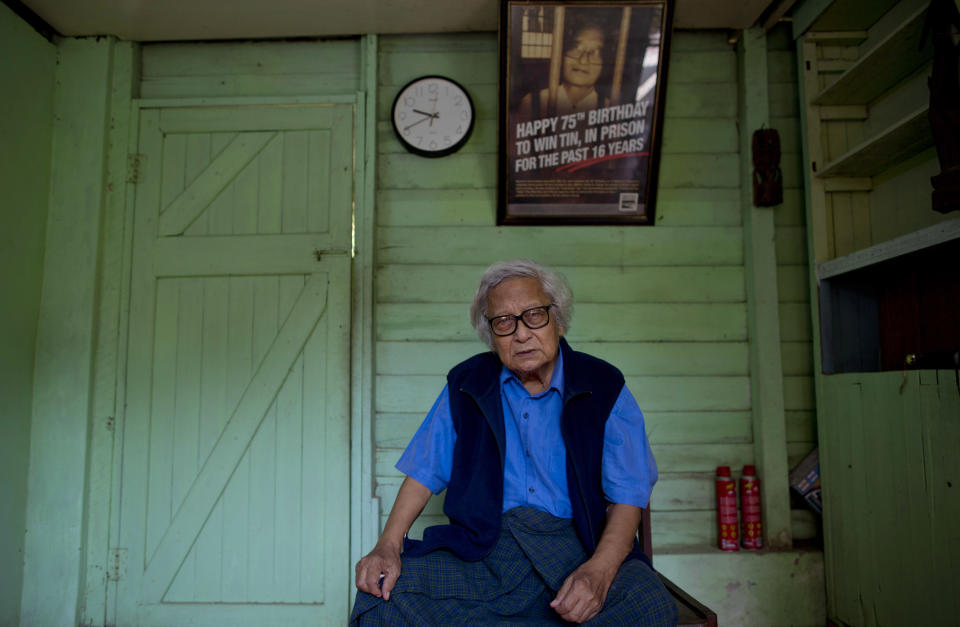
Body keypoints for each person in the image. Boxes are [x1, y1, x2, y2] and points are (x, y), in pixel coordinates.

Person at [351, 260, 678, 625]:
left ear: (559, 320)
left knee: (648, 604)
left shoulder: (603, 385)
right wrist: (388, 545)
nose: (521, 334)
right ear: (492, 336)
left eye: (534, 315)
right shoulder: (467, 384)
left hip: (580, 547)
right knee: (382, 596)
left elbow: (628, 496)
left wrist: (598, 571)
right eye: (504, 322)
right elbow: (424, 472)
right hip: (487, 551)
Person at [517, 20, 612, 121]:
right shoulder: (533, 103)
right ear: (561, 55)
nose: (583, 61)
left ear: (605, 63)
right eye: (576, 48)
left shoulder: (611, 110)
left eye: (595, 52)